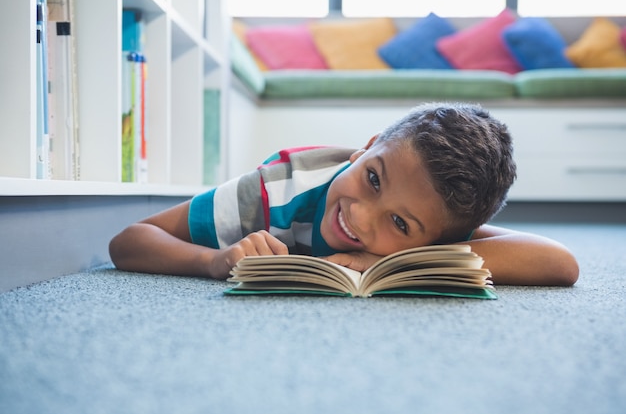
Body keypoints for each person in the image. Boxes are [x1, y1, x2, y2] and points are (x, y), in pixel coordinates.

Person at [109, 102, 579, 286]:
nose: (361, 216)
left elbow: (560, 263)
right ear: (367, 148)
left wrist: (402, 263)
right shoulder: (278, 189)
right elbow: (130, 240)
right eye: (373, 179)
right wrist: (212, 261)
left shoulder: (439, 213)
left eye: (400, 224)